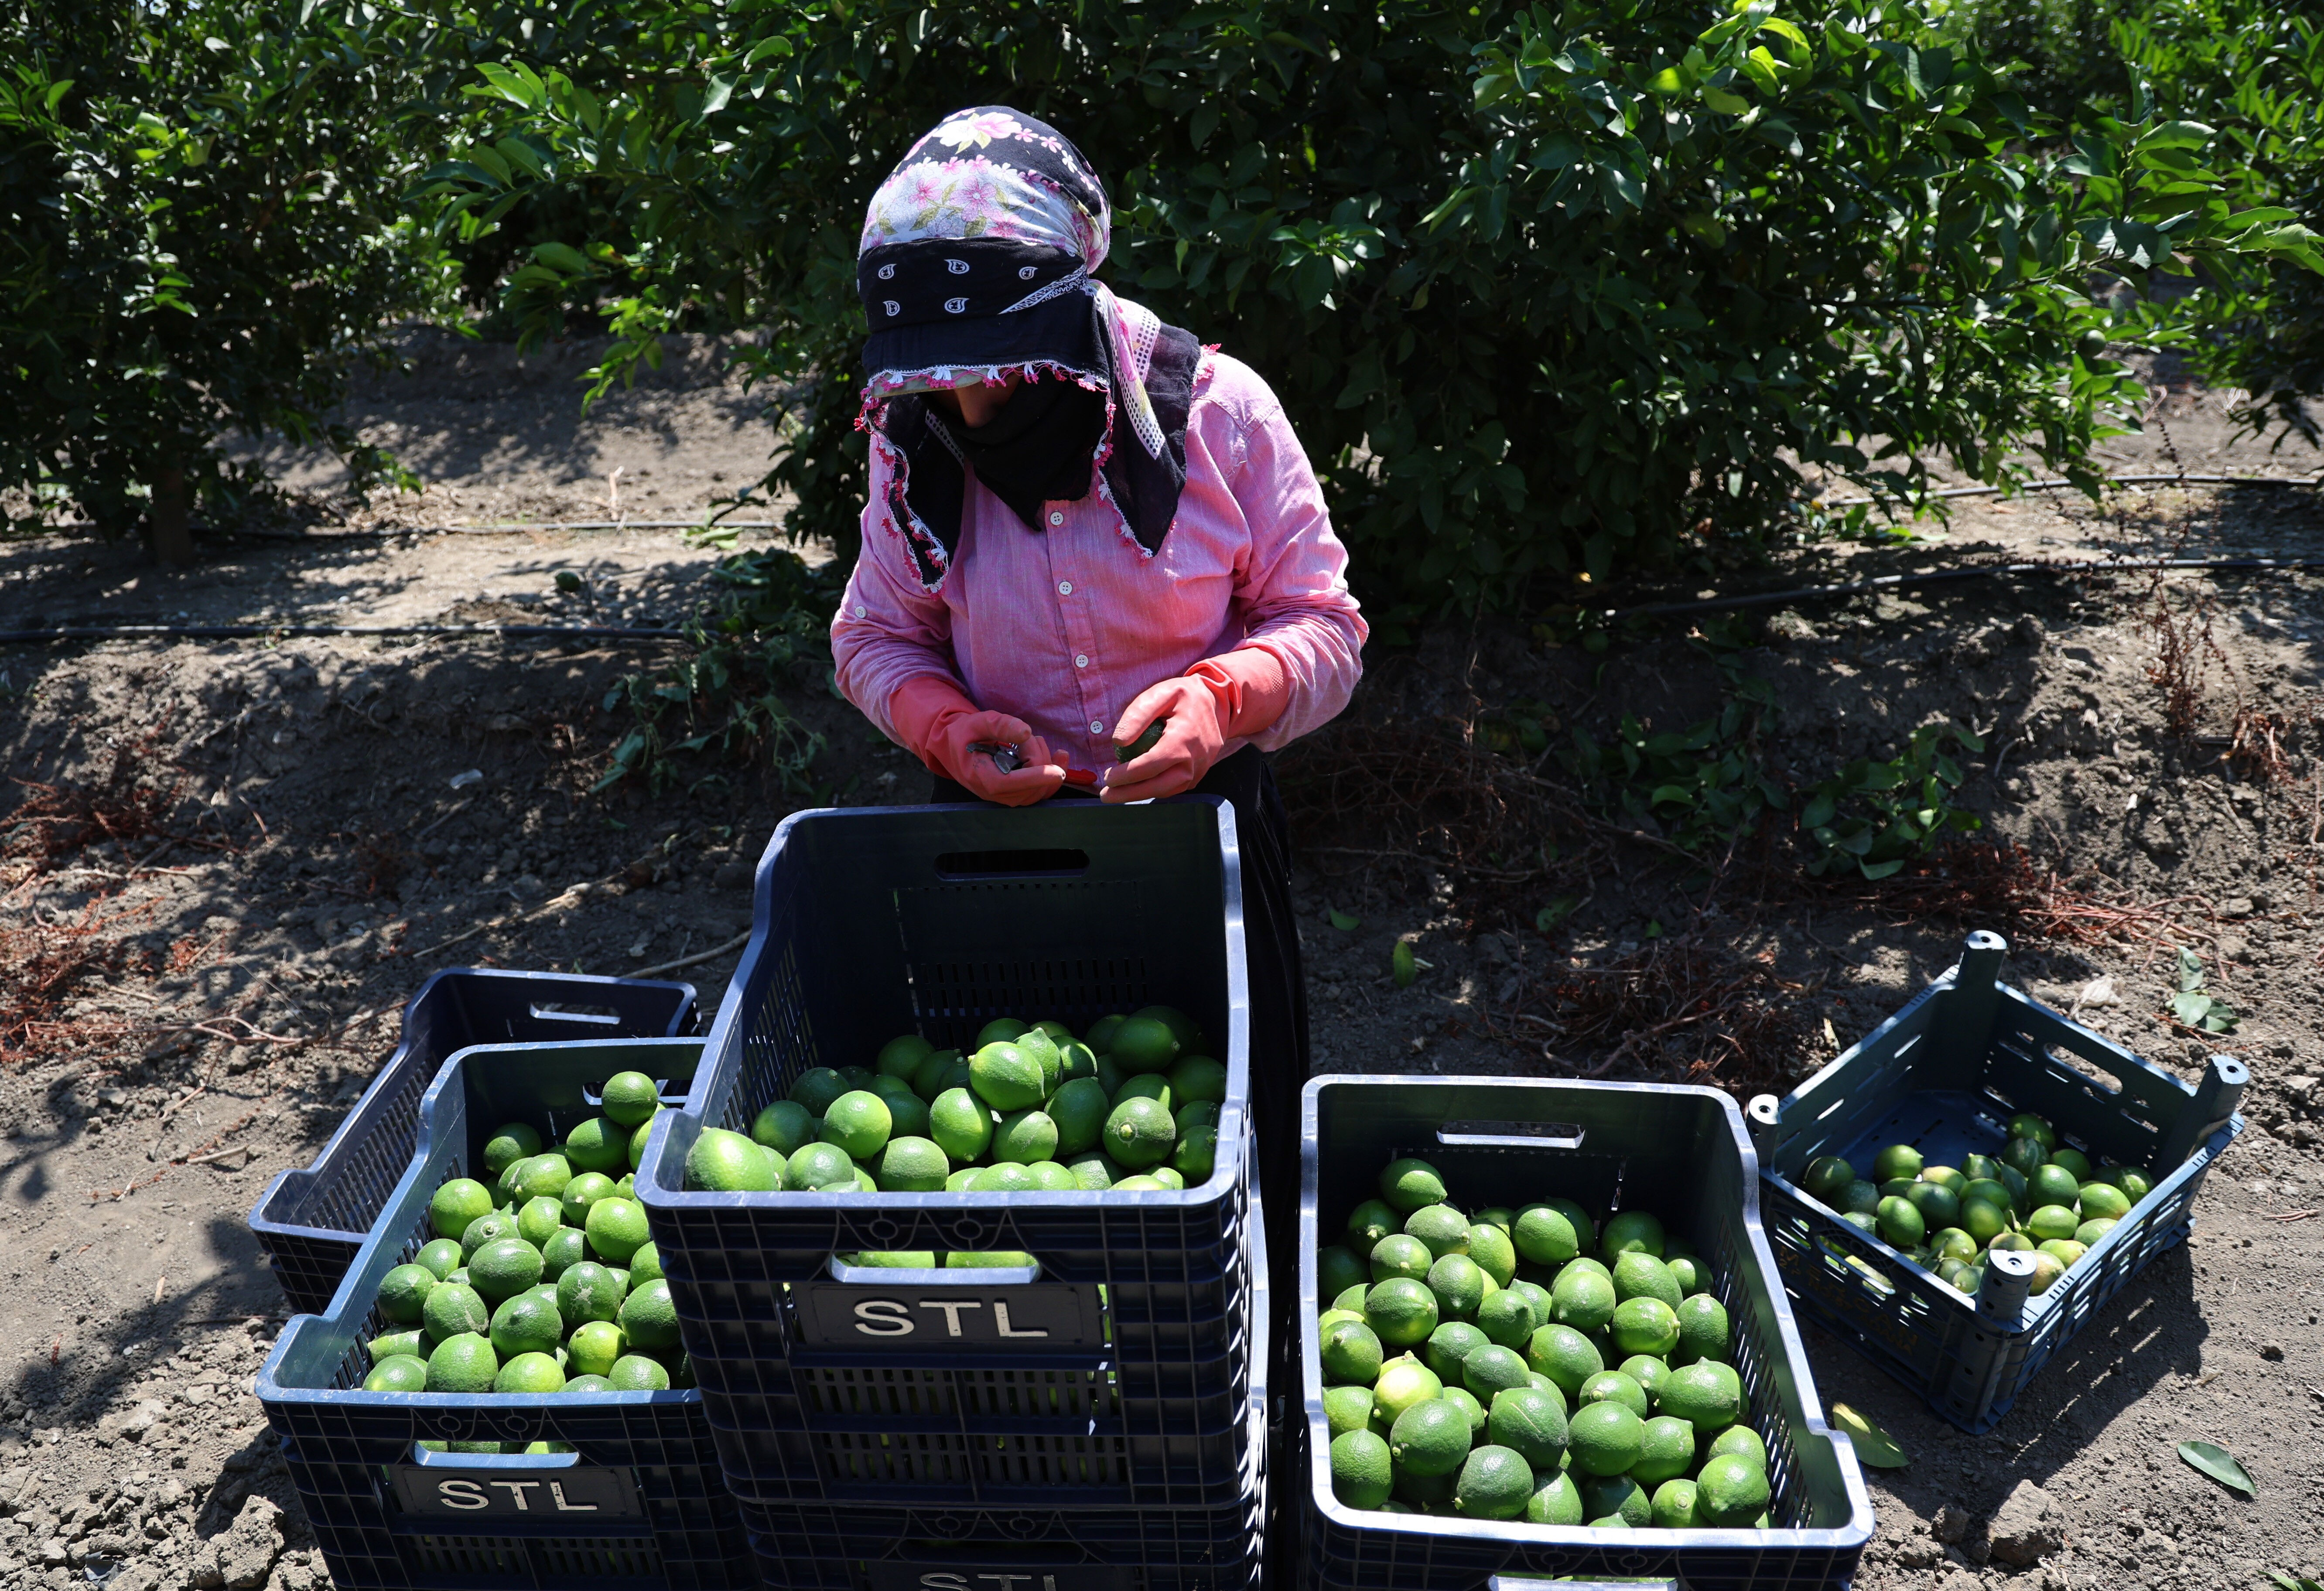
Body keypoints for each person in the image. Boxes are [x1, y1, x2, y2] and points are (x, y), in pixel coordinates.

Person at [829, 105, 1364, 1316]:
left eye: (994, 368)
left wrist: (1224, 702)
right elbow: (873, 632)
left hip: (1199, 839)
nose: (967, 408)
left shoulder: (1217, 414)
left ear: (1074, 303)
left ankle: (1244, 1356)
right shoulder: (910, 437)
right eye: (937, 377)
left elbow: (1325, 626)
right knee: (1011, 1170)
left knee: (1234, 1139)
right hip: (995, 844)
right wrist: (943, 727)